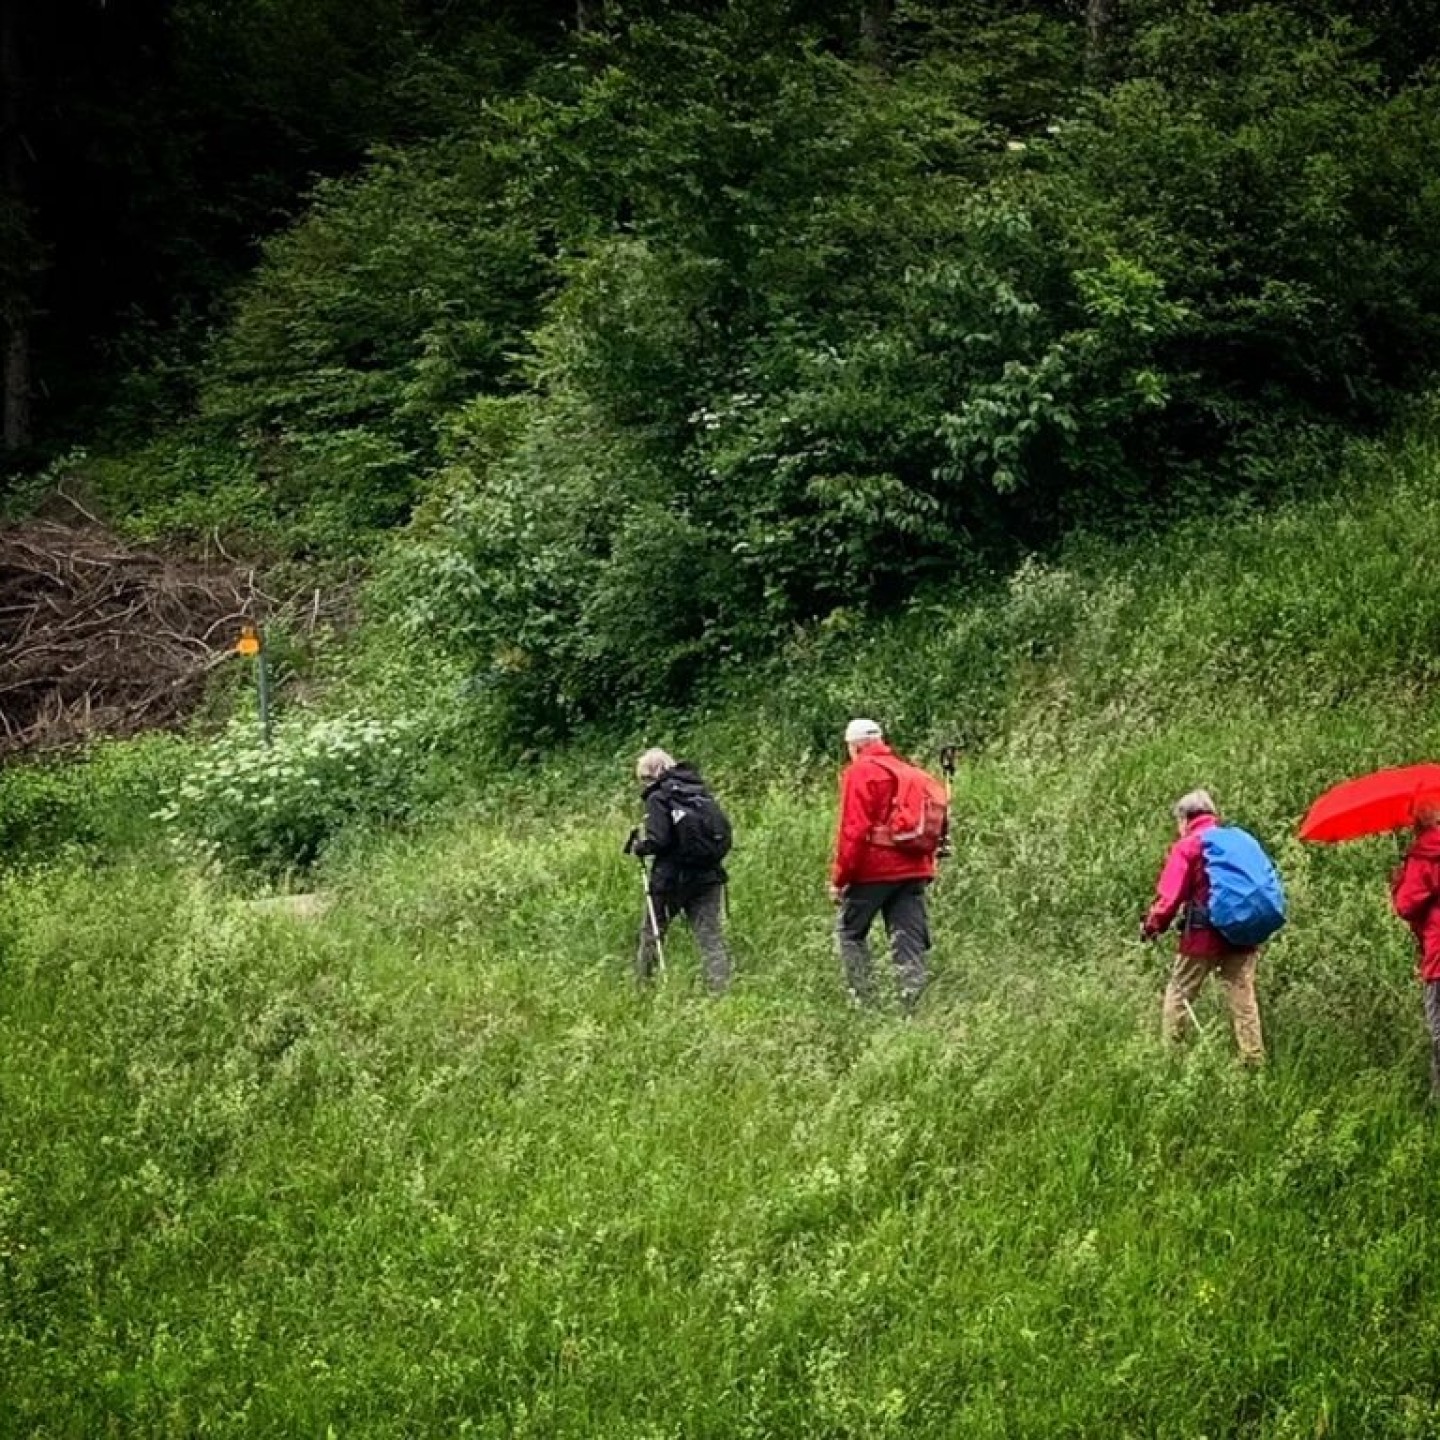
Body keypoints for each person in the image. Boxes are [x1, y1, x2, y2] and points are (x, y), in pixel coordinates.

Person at [1141, 789, 1265, 1064]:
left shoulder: (1188, 846)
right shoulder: (1238, 841)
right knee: (1243, 998)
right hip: (1242, 933)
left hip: (1202, 937)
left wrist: (1152, 926)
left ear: (1185, 818)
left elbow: (1169, 898)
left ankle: (1171, 1059)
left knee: (1179, 993)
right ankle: (1253, 1061)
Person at [829, 718, 935, 1011]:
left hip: (874, 870)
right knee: (908, 939)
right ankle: (913, 1006)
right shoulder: (908, 771)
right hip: (915, 868)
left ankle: (865, 1004)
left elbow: (854, 830)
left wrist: (840, 879)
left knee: (850, 933)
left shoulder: (860, 772)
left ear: (854, 745)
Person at [628, 748, 731, 992]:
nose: (643, 786)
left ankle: (644, 988)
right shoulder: (699, 790)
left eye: (644, 779)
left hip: (671, 880)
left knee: (653, 932)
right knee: (710, 936)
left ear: (652, 775)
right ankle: (721, 989)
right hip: (708, 876)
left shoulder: (658, 797)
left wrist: (640, 847)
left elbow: (659, 840)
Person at [1390, 800, 1440, 1100]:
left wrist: (1399, 881)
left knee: (1438, 1032)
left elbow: (1406, 904)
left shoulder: (1423, 854)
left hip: (1438, 954)